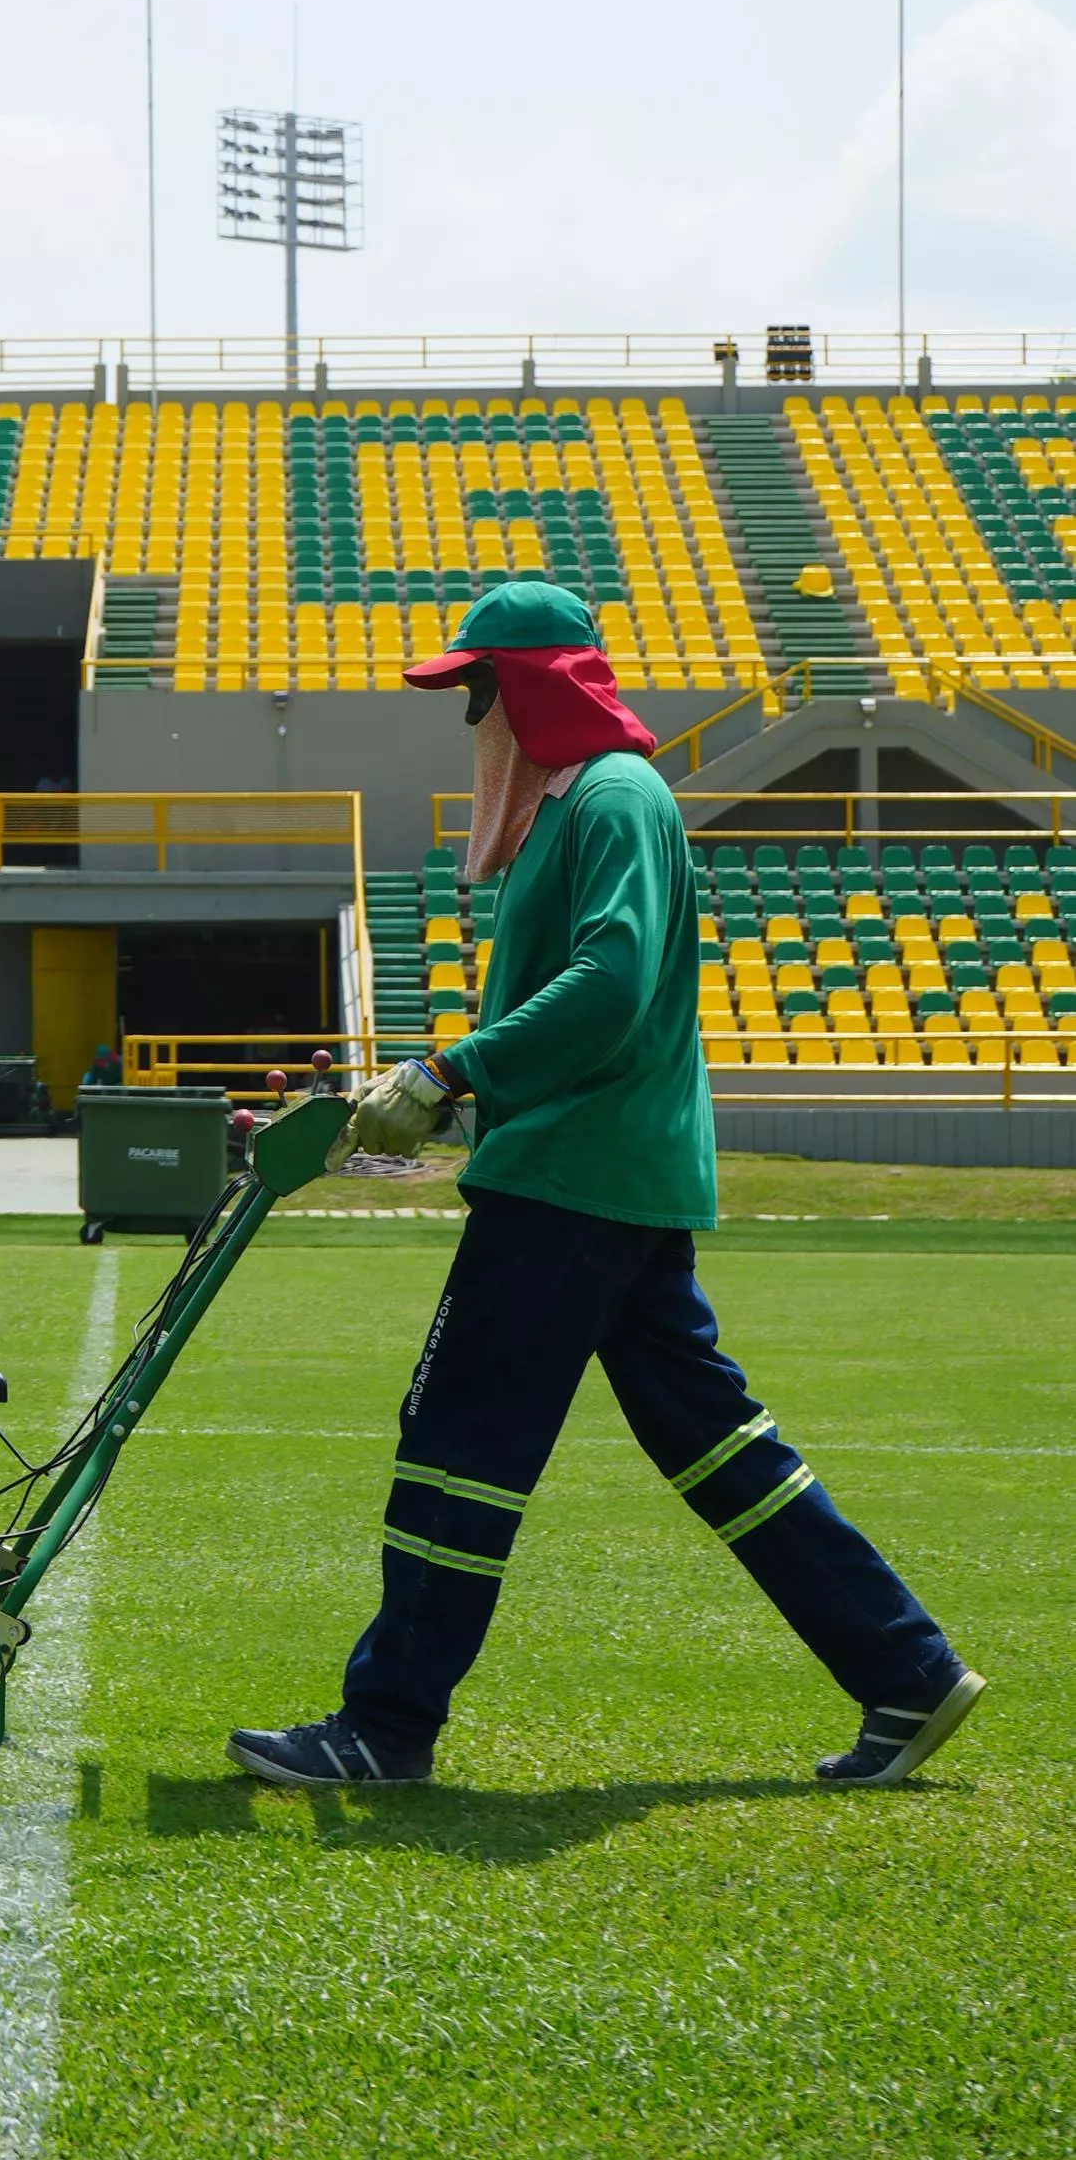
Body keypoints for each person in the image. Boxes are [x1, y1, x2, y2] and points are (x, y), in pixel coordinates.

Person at [230, 578, 984, 1795]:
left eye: (473, 691)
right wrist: (447, 1091)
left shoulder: (615, 798)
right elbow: (582, 1002)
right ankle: (905, 1667)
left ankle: (383, 1724)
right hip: (602, 1168)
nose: (466, 718)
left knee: (456, 1441)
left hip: (576, 1180)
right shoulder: (585, 801)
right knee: (717, 1442)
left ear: (525, 688)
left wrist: (452, 1067)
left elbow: (610, 980)